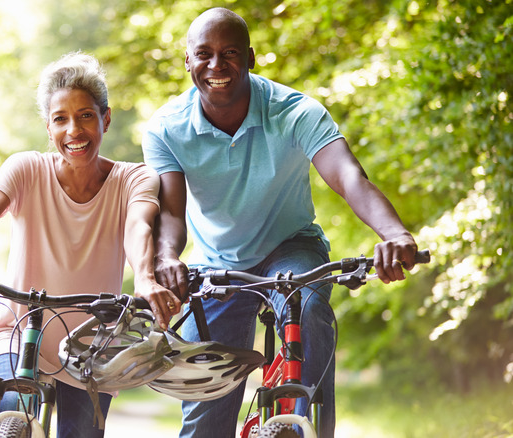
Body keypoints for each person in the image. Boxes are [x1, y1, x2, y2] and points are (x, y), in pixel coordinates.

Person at [142, 8, 418, 438]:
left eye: (230, 53)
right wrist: (166, 257)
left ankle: (307, 423)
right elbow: (172, 213)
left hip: (291, 246)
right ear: (187, 62)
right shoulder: (166, 128)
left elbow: (348, 178)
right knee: (204, 409)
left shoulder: (294, 111)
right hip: (218, 262)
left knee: (308, 308)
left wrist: (394, 234)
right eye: (204, 54)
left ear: (251, 58)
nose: (217, 66)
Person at [0, 52, 181, 438]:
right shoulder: (26, 169)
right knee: (6, 411)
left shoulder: (134, 179)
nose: (74, 130)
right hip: (17, 332)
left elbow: (137, 227)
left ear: (106, 117)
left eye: (86, 115)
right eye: (61, 119)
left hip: (91, 348)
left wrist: (146, 279)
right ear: (48, 128)